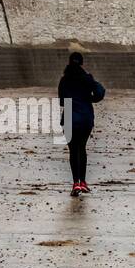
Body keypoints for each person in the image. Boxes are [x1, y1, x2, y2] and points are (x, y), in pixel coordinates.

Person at [56, 51, 105, 197]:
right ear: (82, 63)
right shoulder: (87, 78)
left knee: (73, 151)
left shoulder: (64, 80)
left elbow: (61, 101)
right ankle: (83, 183)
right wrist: (90, 99)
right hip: (85, 117)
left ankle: (75, 183)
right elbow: (100, 92)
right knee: (82, 148)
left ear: (69, 62)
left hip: (70, 115)